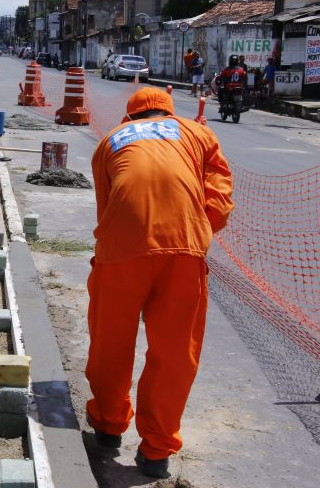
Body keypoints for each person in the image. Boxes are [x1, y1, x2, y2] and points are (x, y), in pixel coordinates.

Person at [86, 87, 233, 478]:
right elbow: (219, 197)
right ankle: (156, 452)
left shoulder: (109, 142)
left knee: (110, 341)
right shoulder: (198, 133)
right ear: (168, 112)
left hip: (121, 250)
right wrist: (197, 232)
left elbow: (108, 206)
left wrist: (109, 256)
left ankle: (107, 426)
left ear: (130, 117)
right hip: (183, 249)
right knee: (174, 353)